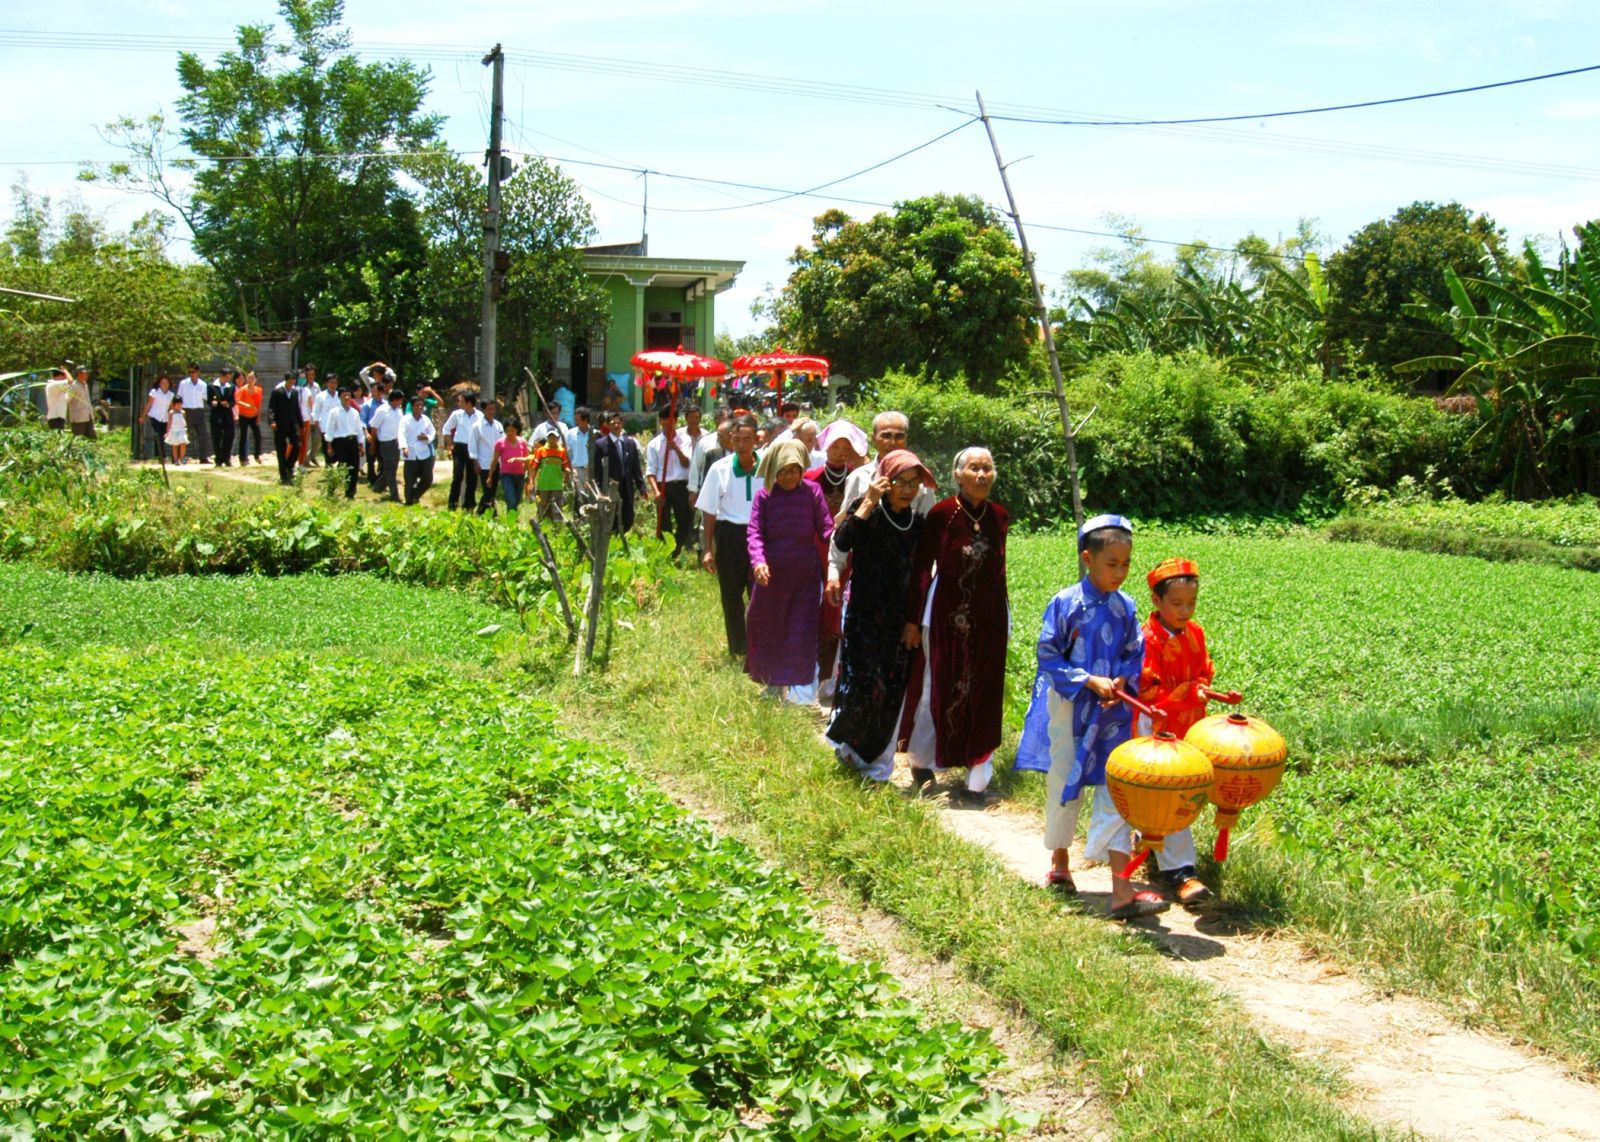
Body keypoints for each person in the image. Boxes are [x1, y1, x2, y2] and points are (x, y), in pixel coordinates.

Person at [1013, 515, 1167, 919]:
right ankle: (1060, 863)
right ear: (1088, 559)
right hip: (1070, 709)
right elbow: (1048, 653)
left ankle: (1120, 888)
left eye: (1126, 564)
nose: (1120, 572)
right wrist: (1087, 680)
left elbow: (1136, 653)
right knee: (1065, 780)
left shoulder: (1126, 606)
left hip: (1114, 712)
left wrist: (1120, 680)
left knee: (1116, 788)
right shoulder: (1065, 603)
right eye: (1111, 564)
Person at [899, 447, 1010, 803]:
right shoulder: (942, 514)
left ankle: (976, 781)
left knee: (984, 690)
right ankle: (922, 764)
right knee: (939, 684)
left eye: (987, 468)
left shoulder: (999, 516)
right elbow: (921, 567)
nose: (981, 475)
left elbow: (1000, 569)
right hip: (944, 615)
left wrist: (1005, 617)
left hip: (989, 617)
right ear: (958, 474)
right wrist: (913, 620)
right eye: (974, 468)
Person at [825, 450, 935, 781]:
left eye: (913, 484)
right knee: (860, 685)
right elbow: (843, 542)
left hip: (898, 620)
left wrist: (913, 621)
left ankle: (876, 765)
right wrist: (868, 501)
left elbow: (921, 574)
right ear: (885, 481)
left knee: (889, 690)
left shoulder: (916, 524)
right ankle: (850, 752)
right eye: (900, 481)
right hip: (863, 616)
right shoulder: (869, 510)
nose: (906, 489)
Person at [1133, 557, 1216, 906]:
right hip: (1158, 726)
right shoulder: (1146, 639)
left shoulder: (1195, 633)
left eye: (1192, 604)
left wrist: (1201, 687)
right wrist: (1185, 693)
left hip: (1190, 725)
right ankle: (1182, 873)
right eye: (1177, 603)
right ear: (1156, 601)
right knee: (1171, 793)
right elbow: (1147, 690)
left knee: (1181, 792)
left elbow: (1204, 670)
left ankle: (1149, 842)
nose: (1185, 611)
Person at [745, 438, 834, 702]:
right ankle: (771, 685)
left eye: (793, 470)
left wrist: (842, 539)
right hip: (771, 575)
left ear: (802, 469)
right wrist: (758, 561)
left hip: (805, 574)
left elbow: (826, 527)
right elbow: (754, 533)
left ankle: (799, 695)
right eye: (782, 471)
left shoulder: (812, 492)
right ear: (772, 471)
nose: (788, 476)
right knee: (769, 626)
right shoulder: (764, 496)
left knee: (801, 628)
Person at [806, 420, 869, 700]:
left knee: (838, 614)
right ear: (826, 446)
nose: (841, 452)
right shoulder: (810, 476)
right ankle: (809, 672)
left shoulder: (859, 478)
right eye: (836, 446)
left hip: (846, 553)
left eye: (847, 447)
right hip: (812, 550)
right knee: (812, 611)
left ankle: (832, 677)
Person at [696, 413, 762, 658]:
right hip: (730, 535)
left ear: (757, 439)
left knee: (759, 593)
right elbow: (710, 511)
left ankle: (759, 645)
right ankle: (739, 649)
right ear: (730, 441)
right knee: (731, 594)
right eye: (737, 440)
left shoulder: (768, 466)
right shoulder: (719, 469)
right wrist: (708, 548)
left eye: (747, 439)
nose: (742, 445)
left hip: (760, 535)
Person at [645, 409, 694, 556]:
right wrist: (657, 492)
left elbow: (687, 463)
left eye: (671, 419)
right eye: (665, 419)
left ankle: (676, 550)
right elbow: (651, 471)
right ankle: (665, 554)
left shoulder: (685, 440)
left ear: (676, 421)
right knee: (663, 523)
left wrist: (676, 449)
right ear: (660, 421)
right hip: (663, 485)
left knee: (684, 521)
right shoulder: (654, 444)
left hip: (680, 485)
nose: (668, 423)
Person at [442, 392, 482, 511]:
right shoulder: (457, 414)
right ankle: (452, 504)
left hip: (473, 448)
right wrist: (450, 445)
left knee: (472, 478)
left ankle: (469, 505)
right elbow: (446, 428)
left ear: (469, 403)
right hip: (459, 448)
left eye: (461, 401)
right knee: (457, 476)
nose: (459, 403)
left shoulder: (480, 416)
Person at [324, 388, 366, 498]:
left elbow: (359, 429)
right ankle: (332, 489)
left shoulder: (354, 412)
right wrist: (329, 446)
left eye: (348, 395)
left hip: (353, 441)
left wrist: (361, 445)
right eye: (344, 396)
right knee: (342, 467)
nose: (347, 398)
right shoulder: (334, 412)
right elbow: (330, 429)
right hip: (340, 442)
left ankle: (350, 492)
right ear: (340, 397)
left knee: (354, 468)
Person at [368, 389, 404, 502]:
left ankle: (377, 487)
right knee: (390, 470)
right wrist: (373, 444)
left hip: (396, 442)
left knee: (392, 468)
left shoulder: (399, 411)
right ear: (394, 400)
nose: (401, 403)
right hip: (386, 443)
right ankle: (395, 495)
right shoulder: (382, 410)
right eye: (400, 401)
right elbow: (374, 428)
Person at [400, 396, 437, 505]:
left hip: (424, 453)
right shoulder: (405, 419)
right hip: (411, 453)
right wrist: (404, 447)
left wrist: (426, 437)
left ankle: (415, 495)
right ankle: (409, 501)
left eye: (421, 405)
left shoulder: (426, 419)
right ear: (412, 407)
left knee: (427, 479)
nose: (420, 407)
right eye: (417, 405)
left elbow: (432, 432)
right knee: (409, 480)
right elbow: (401, 434)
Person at [268, 372, 303, 486]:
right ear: (286, 380)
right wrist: (272, 421)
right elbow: (271, 408)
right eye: (290, 381)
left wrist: (301, 424)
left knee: (297, 445)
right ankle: (283, 475)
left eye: (293, 380)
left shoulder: (295, 392)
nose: (292, 383)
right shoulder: (277, 392)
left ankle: (289, 466)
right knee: (281, 450)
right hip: (280, 425)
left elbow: (297, 409)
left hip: (292, 425)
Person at [472, 399, 504, 516]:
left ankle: (482, 512)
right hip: (484, 463)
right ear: (484, 410)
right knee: (488, 490)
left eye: (493, 409)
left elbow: (502, 443)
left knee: (492, 490)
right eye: (489, 409)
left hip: (496, 462)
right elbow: (473, 445)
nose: (492, 412)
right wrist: (475, 462)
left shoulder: (498, 425)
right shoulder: (477, 426)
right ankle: (491, 514)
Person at [494, 418, 531, 514]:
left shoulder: (523, 442)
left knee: (518, 499)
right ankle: (512, 522)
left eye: (512, 430)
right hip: (506, 475)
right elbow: (494, 460)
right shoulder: (500, 443)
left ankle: (512, 518)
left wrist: (530, 477)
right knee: (511, 499)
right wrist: (490, 476)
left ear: (517, 430)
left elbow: (527, 460)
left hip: (520, 475)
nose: (510, 433)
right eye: (507, 430)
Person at [532, 426, 570, 520]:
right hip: (543, 484)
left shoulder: (562, 451)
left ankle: (557, 528)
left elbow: (566, 466)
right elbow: (534, 467)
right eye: (550, 437)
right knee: (543, 507)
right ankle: (543, 526)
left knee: (557, 507)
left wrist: (567, 474)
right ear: (547, 438)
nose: (552, 439)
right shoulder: (541, 451)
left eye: (554, 437)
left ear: (557, 438)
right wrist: (531, 482)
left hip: (557, 484)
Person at [177, 363, 211, 463]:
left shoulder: (203, 384)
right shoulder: (183, 383)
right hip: (187, 411)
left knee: (202, 434)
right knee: (183, 434)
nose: (191, 374)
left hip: (199, 411)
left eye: (193, 372)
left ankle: (203, 457)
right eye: (190, 372)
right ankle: (179, 457)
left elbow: (206, 397)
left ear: (198, 372)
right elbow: (179, 397)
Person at [143, 374, 175, 461]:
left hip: (164, 418)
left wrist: (173, 419)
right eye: (162, 383)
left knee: (165, 437)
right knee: (159, 436)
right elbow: (149, 404)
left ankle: (171, 457)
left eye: (166, 382)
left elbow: (171, 408)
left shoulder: (171, 395)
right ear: (159, 384)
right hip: (155, 416)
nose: (164, 384)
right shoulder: (154, 392)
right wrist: (143, 416)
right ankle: (162, 457)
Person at [208, 369, 236, 466]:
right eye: (225, 377)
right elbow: (209, 400)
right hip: (216, 415)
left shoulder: (231, 387)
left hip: (227, 415)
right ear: (221, 376)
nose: (227, 380)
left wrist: (228, 404)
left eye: (228, 378)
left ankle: (226, 458)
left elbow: (233, 401)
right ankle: (218, 459)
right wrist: (213, 403)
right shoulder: (211, 386)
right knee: (216, 438)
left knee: (229, 437)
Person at [565, 407, 593, 503]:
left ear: (585, 420)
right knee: (579, 497)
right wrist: (570, 469)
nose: (576, 422)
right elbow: (567, 452)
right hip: (577, 470)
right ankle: (579, 516)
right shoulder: (570, 434)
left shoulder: (594, 434)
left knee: (592, 495)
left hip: (591, 470)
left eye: (578, 420)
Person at [235, 371, 263, 465]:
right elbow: (237, 401)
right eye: (249, 378)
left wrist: (259, 416)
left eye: (252, 378)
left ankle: (257, 455)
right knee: (244, 436)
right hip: (243, 415)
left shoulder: (259, 390)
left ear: (256, 379)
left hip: (253, 416)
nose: (250, 380)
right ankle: (242, 458)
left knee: (258, 435)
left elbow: (259, 404)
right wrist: (247, 405)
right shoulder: (243, 389)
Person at [296, 367, 319, 468]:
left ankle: (307, 459)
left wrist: (315, 415)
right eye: (301, 377)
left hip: (309, 418)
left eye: (303, 377)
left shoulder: (311, 388)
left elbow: (313, 403)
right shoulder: (295, 389)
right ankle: (299, 461)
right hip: (298, 419)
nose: (303, 379)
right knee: (301, 441)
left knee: (311, 441)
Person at [66, 366, 96, 440]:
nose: (87, 374)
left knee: (93, 439)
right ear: (79, 373)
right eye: (85, 373)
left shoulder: (85, 384)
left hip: (88, 418)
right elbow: (66, 399)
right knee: (78, 441)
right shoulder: (74, 386)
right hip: (78, 420)